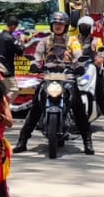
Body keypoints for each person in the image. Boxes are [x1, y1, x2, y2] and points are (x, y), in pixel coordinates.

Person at [15, 11, 94, 154]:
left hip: (67, 77)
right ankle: (22, 140)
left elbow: (78, 56)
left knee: (78, 108)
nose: (58, 27)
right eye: (56, 24)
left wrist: (80, 66)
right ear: (52, 25)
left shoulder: (73, 42)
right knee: (35, 107)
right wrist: (34, 65)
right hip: (48, 77)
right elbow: (37, 56)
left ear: (66, 26)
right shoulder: (44, 41)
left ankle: (87, 141)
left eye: (61, 24)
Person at [76, 15, 104, 132]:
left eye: (86, 26)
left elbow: (102, 54)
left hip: (91, 70)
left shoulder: (96, 41)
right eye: (82, 26)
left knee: (100, 92)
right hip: (75, 71)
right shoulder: (73, 40)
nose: (84, 28)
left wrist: (100, 58)